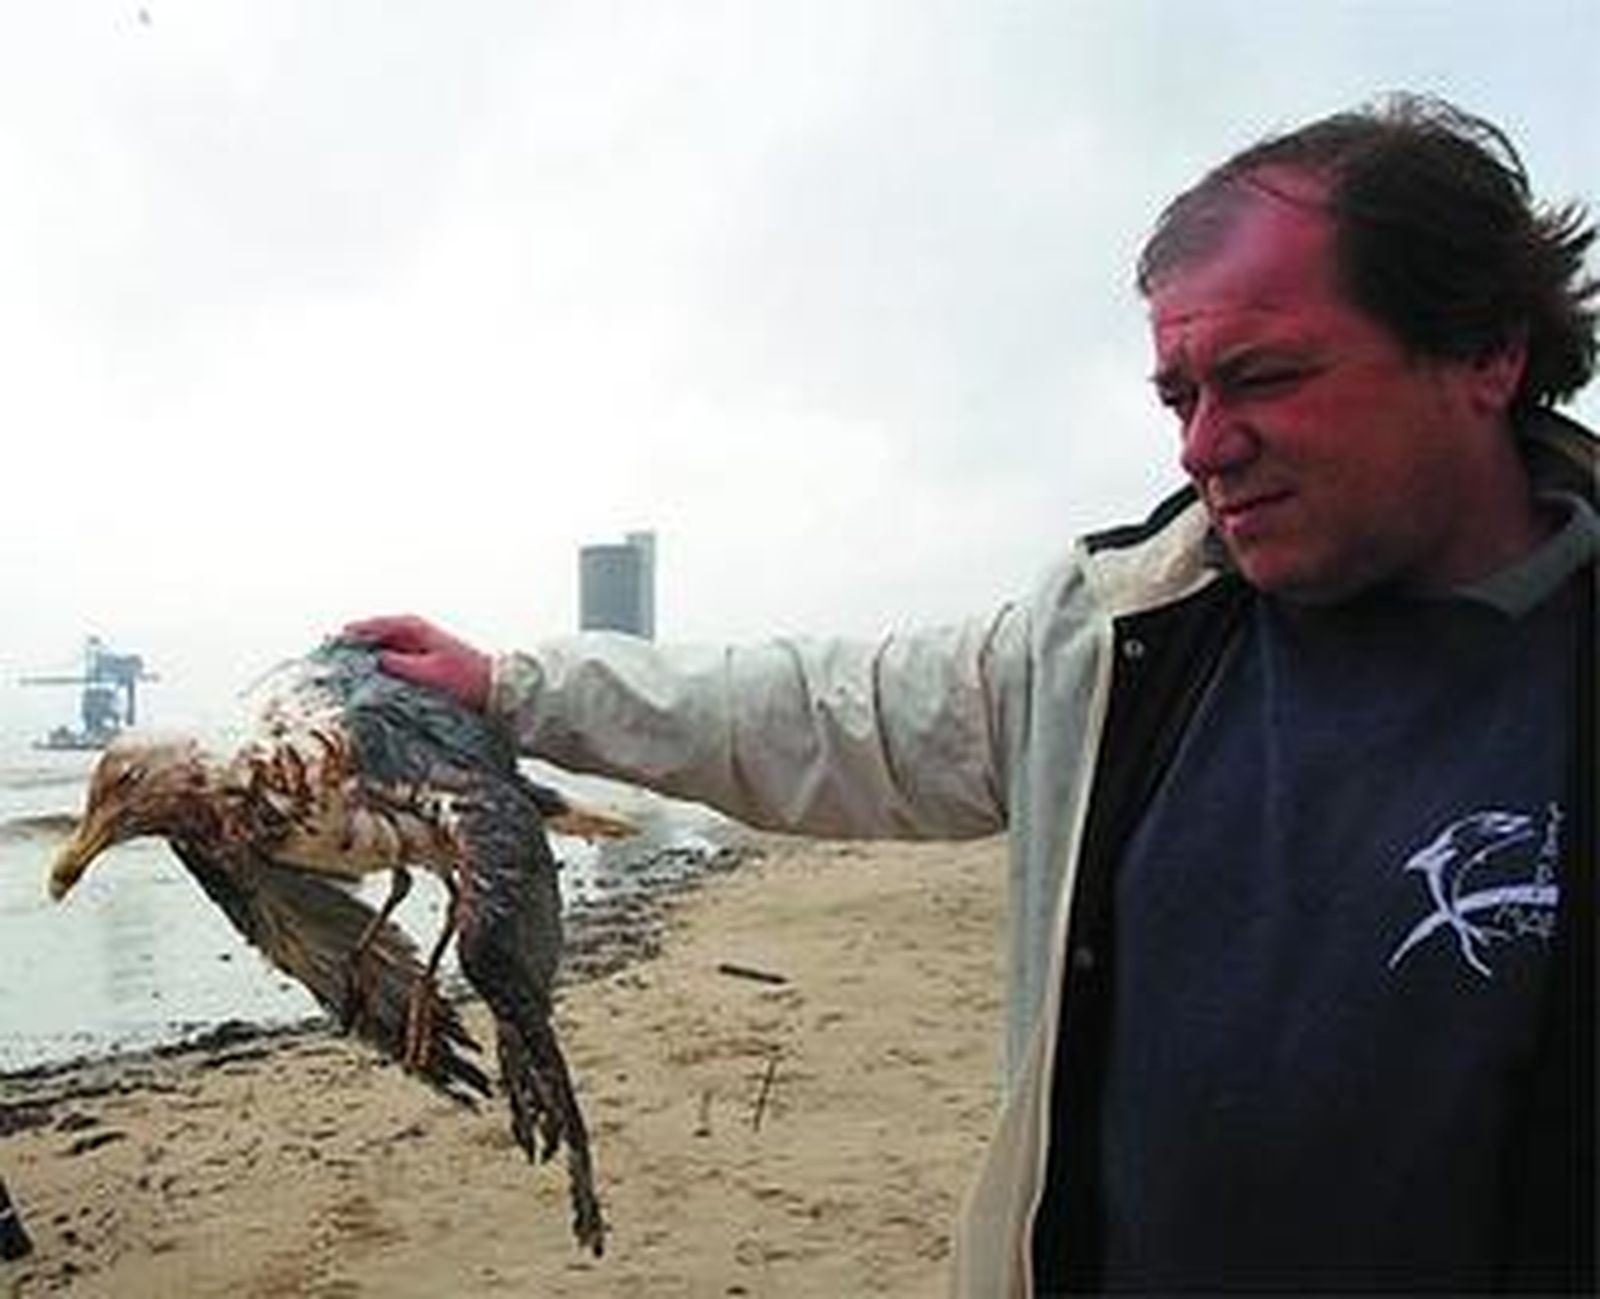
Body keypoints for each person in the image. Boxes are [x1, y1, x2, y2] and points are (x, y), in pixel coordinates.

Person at [348, 94, 1596, 1295]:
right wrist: (512, 687)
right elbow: (823, 714)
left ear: (1485, 352)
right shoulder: (1118, 643)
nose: (1203, 446)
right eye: (1180, 395)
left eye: (1264, 377)